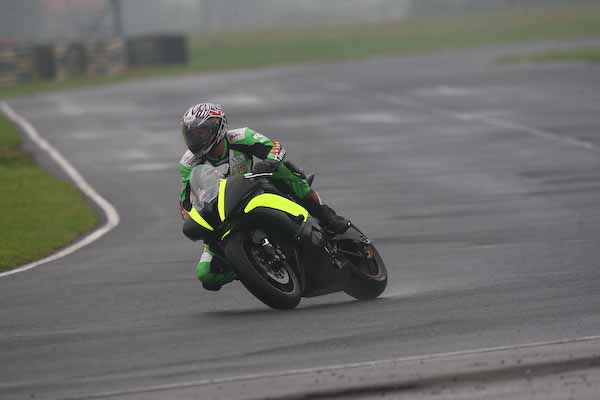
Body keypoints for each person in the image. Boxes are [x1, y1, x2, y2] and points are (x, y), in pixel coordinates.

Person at [179, 102, 349, 291]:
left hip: (253, 188)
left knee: (282, 170)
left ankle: (327, 215)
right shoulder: (188, 163)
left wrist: (269, 162)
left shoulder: (241, 136)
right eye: (191, 134)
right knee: (206, 274)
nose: (196, 139)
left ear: (218, 127)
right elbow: (186, 199)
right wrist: (192, 216)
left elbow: (275, 148)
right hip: (222, 211)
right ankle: (247, 265)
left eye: (201, 133)